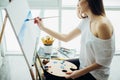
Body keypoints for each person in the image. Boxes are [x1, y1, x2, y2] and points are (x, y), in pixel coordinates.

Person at [34, 0, 115, 80]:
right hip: (83, 64)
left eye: (80, 0)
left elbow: (103, 62)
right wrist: (43, 28)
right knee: (47, 70)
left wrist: (79, 73)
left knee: (51, 77)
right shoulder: (87, 20)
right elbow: (66, 37)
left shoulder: (102, 25)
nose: (78, 3)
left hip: (95, 75)